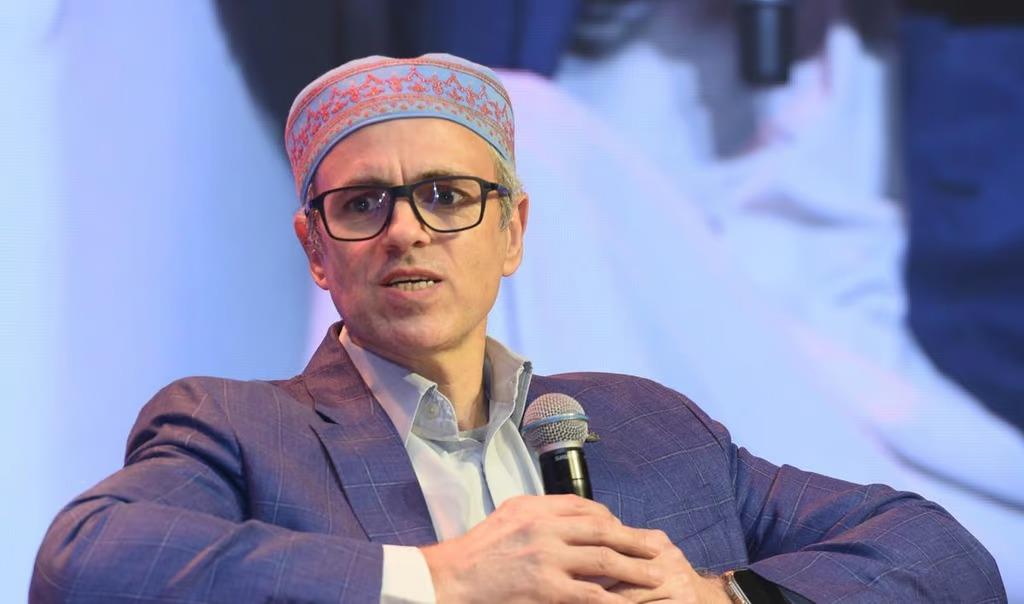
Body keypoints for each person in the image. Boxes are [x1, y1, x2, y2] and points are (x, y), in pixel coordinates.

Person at [32, 54, 1004, 603]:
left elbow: (943, 555)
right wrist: (440, 580)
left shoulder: (645, 421)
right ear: (316, 249)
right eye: (363, 203)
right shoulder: (239, 429)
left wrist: (721, 597)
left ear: (512, 232)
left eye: (446, 195)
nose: (406, 230)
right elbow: (84, 563)